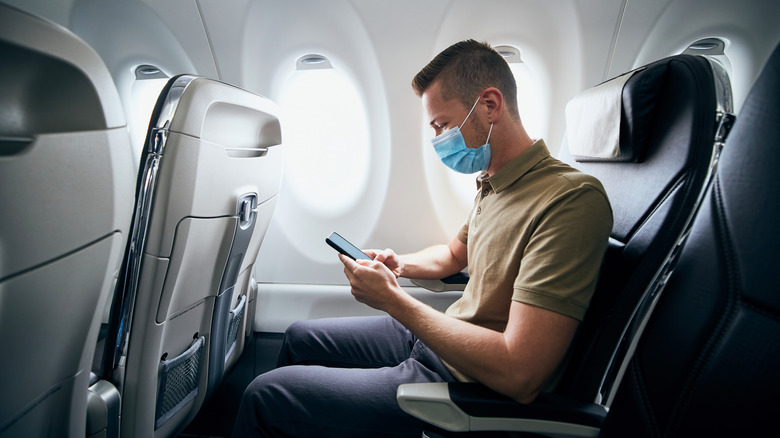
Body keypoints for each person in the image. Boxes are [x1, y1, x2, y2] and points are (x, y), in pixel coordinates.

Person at [232, 39, 613, 438]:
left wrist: (393, 300)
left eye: (443, 125)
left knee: (265, 396)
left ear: (490, 105)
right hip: (440, 338)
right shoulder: (495, 183)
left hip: (465, 382)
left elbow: (521, 372)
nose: (438, 140)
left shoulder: (568, 200)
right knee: (298, 337)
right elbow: (452, 255)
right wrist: (399, 264)